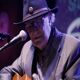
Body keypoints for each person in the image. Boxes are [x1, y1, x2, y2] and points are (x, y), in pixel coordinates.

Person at [0, 0, 80, 80]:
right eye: (29, 26)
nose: (34, 31)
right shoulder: (27, 48)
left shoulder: (73, 48)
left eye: (38, 21)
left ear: (50, 19)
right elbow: (6, 72)